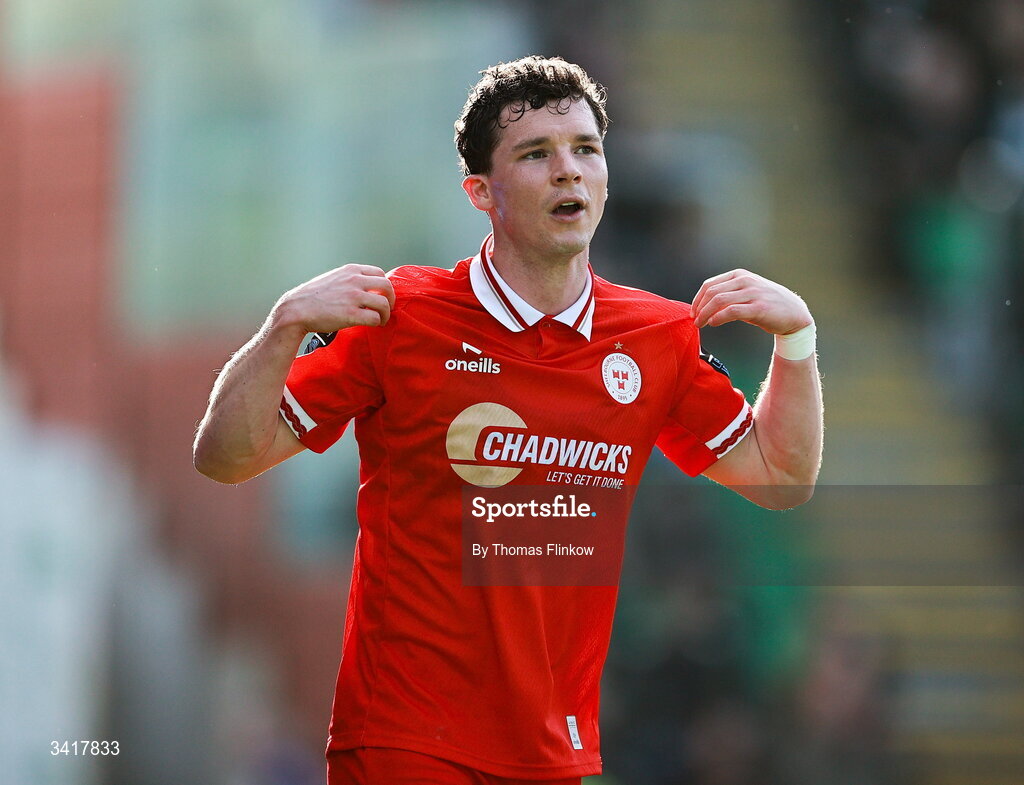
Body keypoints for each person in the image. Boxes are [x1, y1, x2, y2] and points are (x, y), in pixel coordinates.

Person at [193, 55, 823, 785]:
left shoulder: (658, 336)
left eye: (585, 149)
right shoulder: (402, 316)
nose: (569, 171)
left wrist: (798, 342)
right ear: (480, 193)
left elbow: (780, 475)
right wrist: (282, 326)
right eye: (536, 153)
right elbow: (226, 455)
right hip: (406, 738)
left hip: (552, 751)